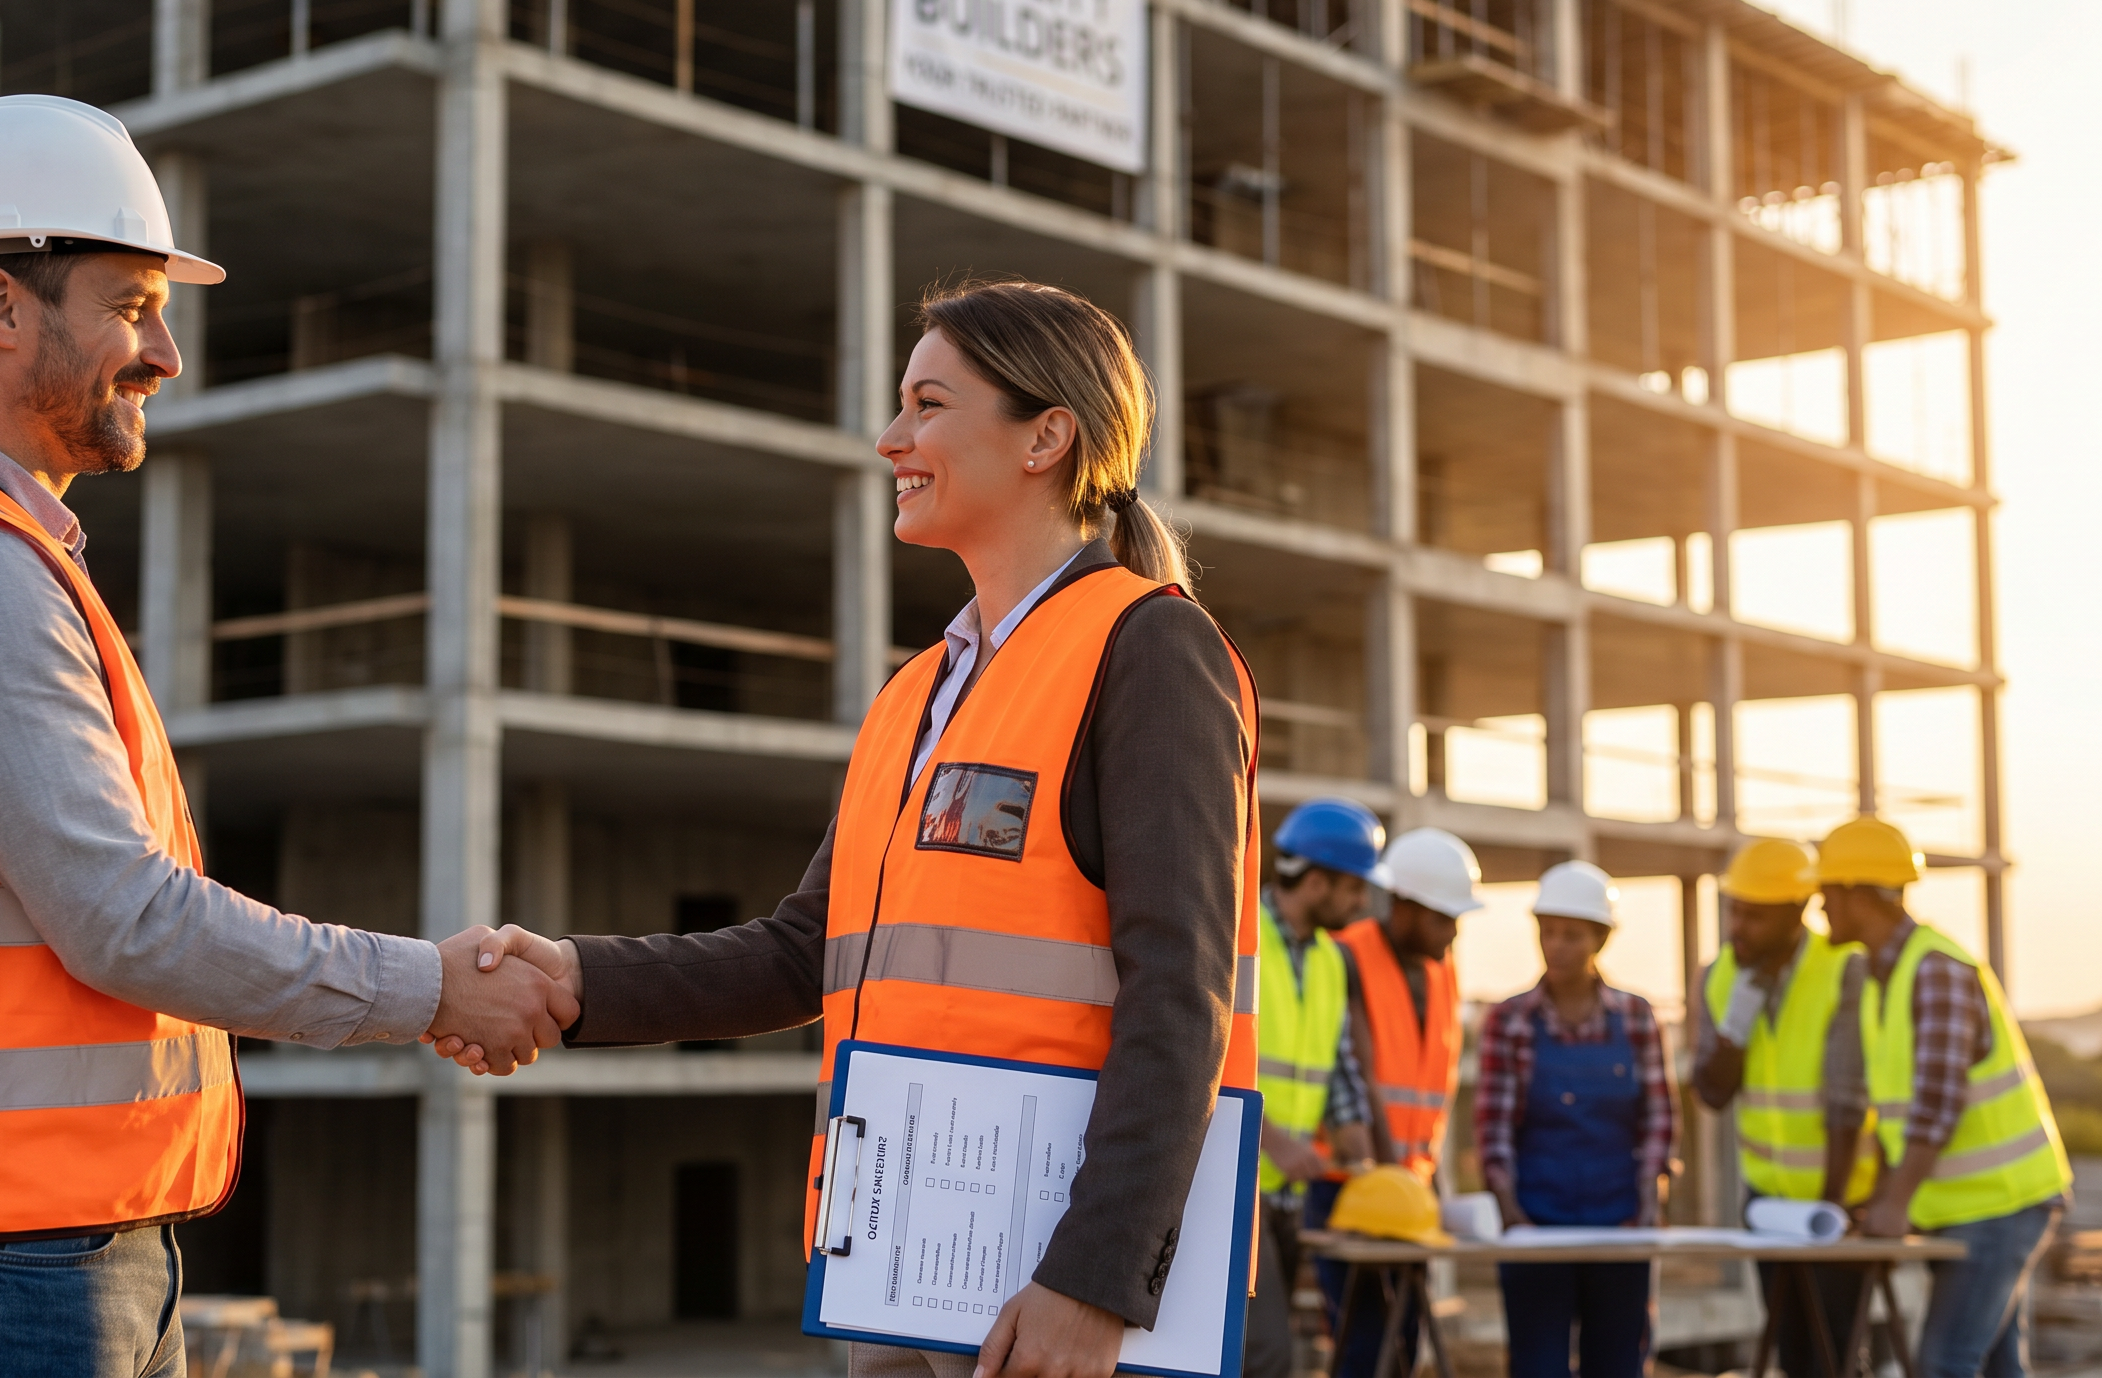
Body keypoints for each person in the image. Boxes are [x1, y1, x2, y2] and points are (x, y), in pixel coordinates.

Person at [0, 95, 577, 1375]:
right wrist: (431, 987)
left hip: (19, 1244)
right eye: (132, 305)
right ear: (0, 307)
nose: (165, 355)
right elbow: (123, 917)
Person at [448, 279, 1262, 1378]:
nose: (890, 439)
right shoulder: (914, 694)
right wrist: (576, 978)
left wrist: (1096, 1278)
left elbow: (1182, 988)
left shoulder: (1149, 650)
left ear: (1047, 438)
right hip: (895, 1262)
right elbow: (805, 949)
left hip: (1056, 1284)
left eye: (928, 405)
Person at [1820, 817, 2071, 1378]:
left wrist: (1893, 1203)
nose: (1819, 907)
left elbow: (1937, 1106)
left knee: (1943, 1363)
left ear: (1860, 894)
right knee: (1997, 1363)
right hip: (1971, 1208)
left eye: (1826, 892)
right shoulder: (1881, 977)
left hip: (2001, 1205)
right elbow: (1894, 1116)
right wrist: (1883, 1196)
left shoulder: (1934, 971)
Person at [1473, 862, 1673, 1378]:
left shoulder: (1636, 1018)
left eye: (1572, 935)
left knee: (1618, 1365)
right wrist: (1513, 1216)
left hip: (1621, 1228)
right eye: (1548, 932)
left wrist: (1648, 1205)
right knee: (1538, 1366)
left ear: (1600, 940)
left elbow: (1657, 1119)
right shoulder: (1509, 1020)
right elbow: (1493, 1130)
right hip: (1537, 1225)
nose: (1556, 946)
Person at [1694, 837, 1873, 1378]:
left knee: (1835, 1354)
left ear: (1796, 913)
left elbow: (1848, 1099)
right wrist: (1734, 1034)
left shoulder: (1843, 968)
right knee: (1793, 1352)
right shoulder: (1721, 976)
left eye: (1754, 917)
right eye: (1733, 911)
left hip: (1836, 1201)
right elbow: (1711, 1092)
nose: (1737, 929)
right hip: (1768, 1204)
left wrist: (1831, 1211)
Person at [1312, 826, 1482, 1378]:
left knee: (1406, 1340)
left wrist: (1426, 1180)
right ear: (1403, 907)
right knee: (1363, 1342)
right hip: (1348, 1187)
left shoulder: (1444, 970)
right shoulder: (1346, 956)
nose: (1452, 933)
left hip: (1411, 1192)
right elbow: (1351, 1073)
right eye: (1442, 918)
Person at [1246, 799, 1385, 1378]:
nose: (1363, 903)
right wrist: (1271, 1141)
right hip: (1236, 1184)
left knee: (1269, 1356)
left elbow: (1338, 1071)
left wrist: (1359, 1147)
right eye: (1355, 888)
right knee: (1267, 1355)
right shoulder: (1240, 937)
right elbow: (1210, 1058)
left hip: (1289, 1198)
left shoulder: (1332, 960)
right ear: (1319, 880)